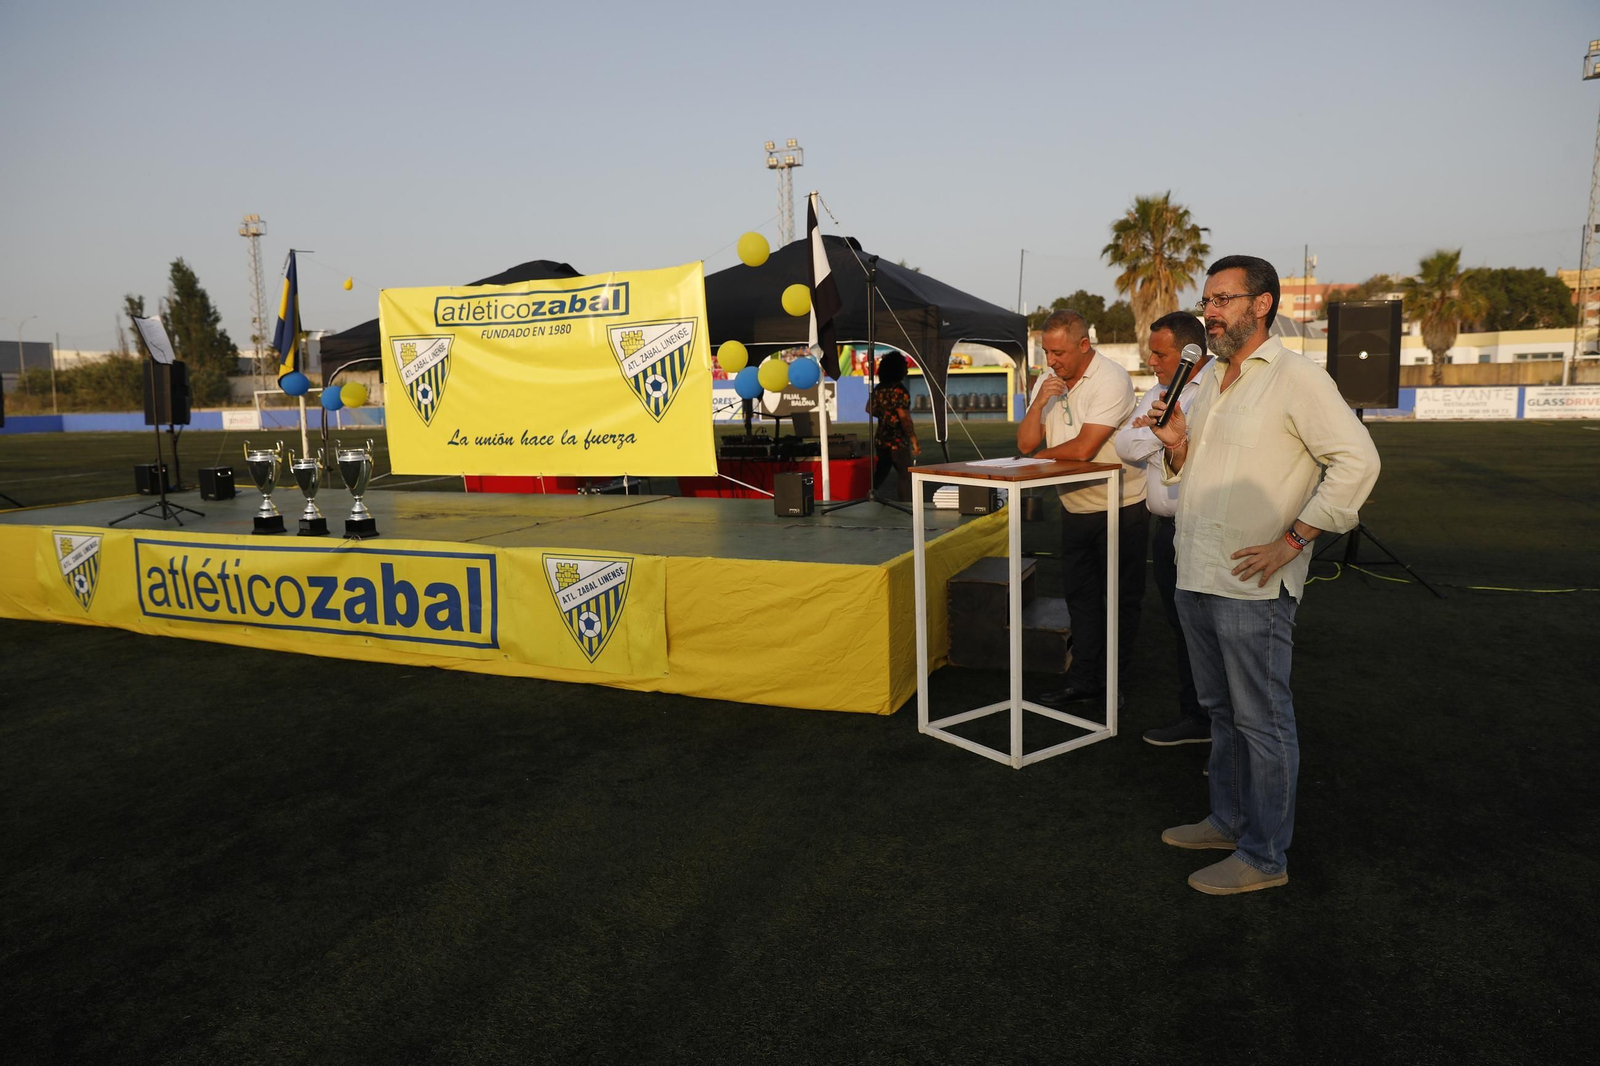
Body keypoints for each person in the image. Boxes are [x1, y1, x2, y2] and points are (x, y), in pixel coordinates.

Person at [1140, 255, 1379, 895]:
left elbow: (1358, 462)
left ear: (1262, 304)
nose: (1209, 311)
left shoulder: (1296, 378)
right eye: (1208, 299)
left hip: (1251, 583)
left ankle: (1264, 856)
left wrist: (1295, 540)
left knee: (1262, 720)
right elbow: (1202, 480)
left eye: (1222, 299)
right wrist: (1178, 446)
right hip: (1196, 569)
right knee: (1221, 710)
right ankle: (1228, 819)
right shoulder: (1212, 376)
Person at [1016, 309, 1147, 707]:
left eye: (1058, 352)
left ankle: (1113, 685)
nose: (1051, 360)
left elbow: (1084, 449)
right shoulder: (1048, 379)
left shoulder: (1110, 379)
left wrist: (1036, 461)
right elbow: (1024, 444)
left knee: (1118, 601)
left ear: (1084, 345)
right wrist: (1038, 404)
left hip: (1119, 506)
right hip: (1075, 506)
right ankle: (1085, 680)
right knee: (1081, 598)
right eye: (1046, 351)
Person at [1113, 312, 1213, 746]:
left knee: (1211, 631)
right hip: (1167, 529)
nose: (1151, 361)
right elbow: (1123, 444)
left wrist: (1156, 433)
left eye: (1159, 353)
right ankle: (1198, 718)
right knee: (1182, 626)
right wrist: (1168, 435)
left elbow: (1200, 445)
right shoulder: (1160, 390)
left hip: (1202, 528)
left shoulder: (1213, 387)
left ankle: (1216, 725)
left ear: (1192, 351)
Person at [867, 351, 919, 500]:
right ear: (897, 368)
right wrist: (914, 440)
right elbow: (905, 418)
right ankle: (906, 505)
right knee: (905, 475)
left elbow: (869, 408)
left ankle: (868, 496)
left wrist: (885, 415)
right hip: (897, 440)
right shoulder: (900, 390)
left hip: (882, 438)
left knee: (881, 472)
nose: (907, 368)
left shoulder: (880, 388)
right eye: (904, 365)